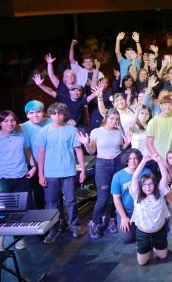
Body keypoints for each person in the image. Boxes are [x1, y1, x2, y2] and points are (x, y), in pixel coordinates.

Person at [36, 103, 87, 244]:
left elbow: (78, 150)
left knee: (71, 201)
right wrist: (40, 174)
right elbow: (41, 153)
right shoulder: (44, 131)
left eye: (60, 113)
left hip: (68, 171)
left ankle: (75, 227)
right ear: (50, 115)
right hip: (50, 173)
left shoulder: (71, 130)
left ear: (64, 114)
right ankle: (54, 229)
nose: (57, 116)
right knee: (52, 203)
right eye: (53, 113)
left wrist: (82, 169)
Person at [77, 108, 130, 238]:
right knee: (103, 198)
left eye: (117, 119)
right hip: (103, 165)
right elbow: (91, 151)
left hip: (118, 163)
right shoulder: (96, 132)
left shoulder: (118, 131)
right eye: (112, 118)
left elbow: (120, 148)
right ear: (106, 118)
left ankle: (112, 219)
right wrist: (86, 144)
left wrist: (127, 143)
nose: (114, 121)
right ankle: (94, 223)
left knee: (116, 195)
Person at [0, 110, 38, 250]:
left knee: (21, 210)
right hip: (4, 179)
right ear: (1, 123)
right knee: (4, 211)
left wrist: (33, 166)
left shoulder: (21, 135)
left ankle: (19, 239)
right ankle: (1, 240)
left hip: (21, 177)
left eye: (12, 120)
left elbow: (27, 151)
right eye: (6, 121)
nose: (10, 123)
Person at [130, 153, 171, 265]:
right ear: (141, 187)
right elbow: (134, 177)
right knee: (142, 263)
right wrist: (144, 160)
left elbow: (164, 175)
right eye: (144, 185)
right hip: (144, 234)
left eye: (150, 184)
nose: (147, 187)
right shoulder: (137, 196)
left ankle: (156, 248)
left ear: (155, 185)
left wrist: (159, 161)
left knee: (163, 256)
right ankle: (147, 248)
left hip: (159, 232)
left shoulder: (161, 192)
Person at [111, 149, 151, 244]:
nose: (133, 161)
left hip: (143, 210)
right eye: (130, 159)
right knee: (127, 239)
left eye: (135, 158)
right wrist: (124, 217)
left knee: (145, 237)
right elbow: (116, 198)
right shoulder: (118, 176)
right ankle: (119, 220)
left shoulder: (147, 172)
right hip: (127, 211)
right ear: (126, 160)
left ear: (139, 159)